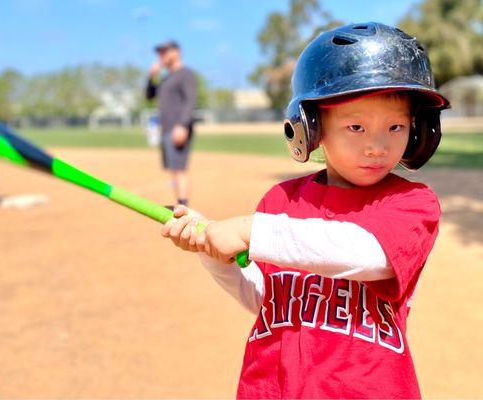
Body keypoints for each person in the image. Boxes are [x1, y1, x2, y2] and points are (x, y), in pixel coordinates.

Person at [161, 22, 449, 399]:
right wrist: (217, 257)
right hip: (274, 388)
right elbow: (266, 299)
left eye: (396, 127)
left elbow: (368, 254)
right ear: (311, 129)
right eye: (356, 126)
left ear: (418, 130)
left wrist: (253, 232)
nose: (377, 146)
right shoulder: (280, 202)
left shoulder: (412, 205)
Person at [146, 40, 197, 207]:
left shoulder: (185, 74)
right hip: (167, 128)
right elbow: (149, 96)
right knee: (173, 170)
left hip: (178, 128)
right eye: (159, 53)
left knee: (179, 169)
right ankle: (180, 204)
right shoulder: (165, 78)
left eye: (164, 52)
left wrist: (182, 125)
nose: (161, 56)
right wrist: (151, 77)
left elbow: (190, 101)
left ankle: (183, 208)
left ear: (176, 52)